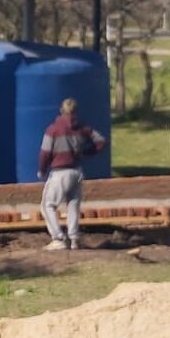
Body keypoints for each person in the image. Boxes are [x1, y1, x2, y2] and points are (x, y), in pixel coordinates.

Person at [37, 99, 107, 250]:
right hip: (77, 171)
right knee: (73, 205)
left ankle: (58, 238)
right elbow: (101, 141)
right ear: (75, 111)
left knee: (47, 205)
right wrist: (87, 152)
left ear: (61, 111)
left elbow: (45, 153)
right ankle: (74, 239)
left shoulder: (53, 130)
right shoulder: (82, 128)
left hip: (60, 172)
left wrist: (42, 170)